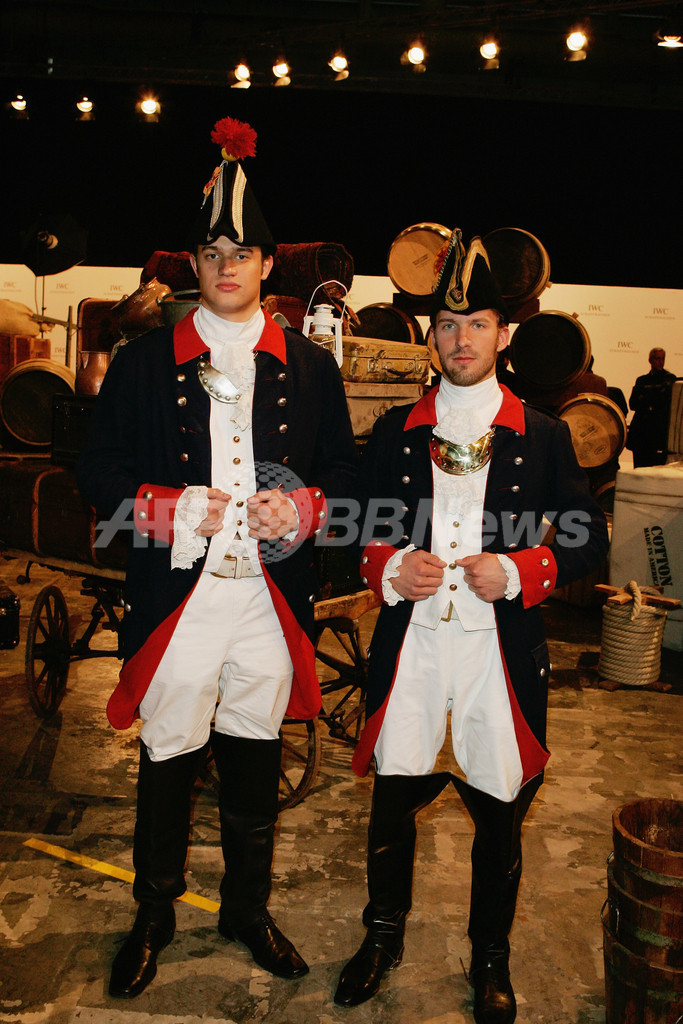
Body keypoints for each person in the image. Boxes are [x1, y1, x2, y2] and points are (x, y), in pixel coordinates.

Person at [77, 117, 357, 999]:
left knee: (252, 755)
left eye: (242, 253)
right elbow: (96, 472)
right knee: (168, 755)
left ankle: (245, 909)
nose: (226, 265)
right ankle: (153, 913)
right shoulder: (141, 363)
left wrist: (304, 506)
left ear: (268, 265)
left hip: (268, 598)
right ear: (193, 266)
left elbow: (345, 475)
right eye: (211, 253)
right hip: (180, 598)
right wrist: (166, 510)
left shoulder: (309, 368)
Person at [334, 231, 609, 1023]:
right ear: (431, 336)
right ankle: (380, 937)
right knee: (391, 811)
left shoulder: (544, 435)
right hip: (413, 652)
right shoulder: (396, 430)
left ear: (503, 334)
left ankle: (490, 958)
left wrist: (522, 572)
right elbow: (354, 524)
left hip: (498, 658)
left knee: (498, 818)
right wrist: (388, 566)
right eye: (448, 325)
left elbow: (587, 536)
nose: (461, 340)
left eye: (477, 324)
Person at [627, 347, 676, 467]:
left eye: (662, 359)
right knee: (639, 468)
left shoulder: (670, 379)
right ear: (650, 360)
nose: (660, 362)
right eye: (657, 359)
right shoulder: (642, 380)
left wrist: (646, 397)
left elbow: (667, 404)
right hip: (642, 432)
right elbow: (633, 404)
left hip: (659, 433)